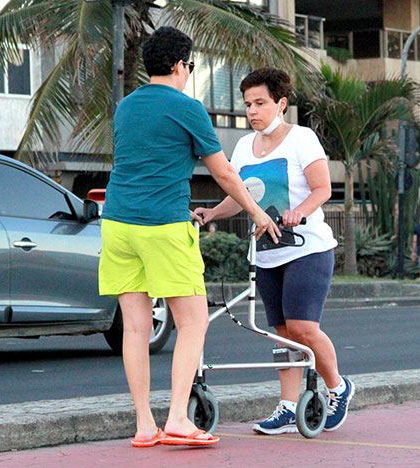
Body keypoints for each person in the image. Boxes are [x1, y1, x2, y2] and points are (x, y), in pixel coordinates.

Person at [98, 27, 279, 448]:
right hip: (162, 223)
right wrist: (255, 211)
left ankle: (145, 425)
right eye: (191, 67)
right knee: (193, 319)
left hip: (118, 223)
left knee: (137, 328)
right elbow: (224, 172)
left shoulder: (125, 107)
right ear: (180, 65)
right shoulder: (187, 107)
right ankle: (178, 418)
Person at [194, 67, 354, 435]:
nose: (252, 111)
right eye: (248, 104)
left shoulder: (302, 139)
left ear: (281, 103)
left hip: (306, 249)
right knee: (280, 332)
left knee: (301, 327)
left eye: (260, 103)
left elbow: (323, 189)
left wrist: (300, 211)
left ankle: (338, 388)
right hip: (266, 252)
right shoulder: (242, 147)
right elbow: (240, 195)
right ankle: (286, 406)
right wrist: (212, 213)